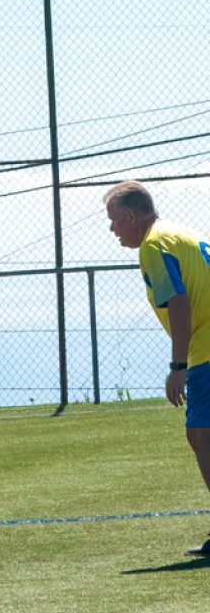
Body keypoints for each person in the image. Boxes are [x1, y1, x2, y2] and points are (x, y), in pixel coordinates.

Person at [104, 180, 210, 555]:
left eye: (113, 219)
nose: (112, 228)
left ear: (132, 216)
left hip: (206, 352)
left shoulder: (152, 245)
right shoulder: (180, 232)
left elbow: (179, 303)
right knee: (200, 435)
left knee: (202, 436)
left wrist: (178, 365)